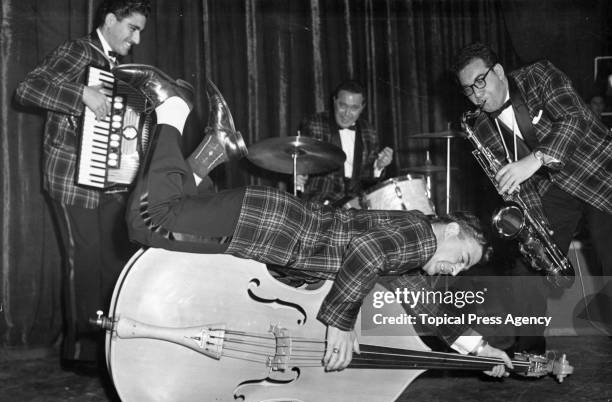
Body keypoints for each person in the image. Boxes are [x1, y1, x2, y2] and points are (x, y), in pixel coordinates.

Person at [111, 64, 513, 377]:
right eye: (463, 257)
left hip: (271, 224)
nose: (455, 271)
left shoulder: (411, 250)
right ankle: (173, 108)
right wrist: (340, 323)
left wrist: (480, 348)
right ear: (453, 230)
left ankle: (216, 148)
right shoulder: (421, 236)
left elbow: (425, 309)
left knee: (179, 206)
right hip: (268, 223)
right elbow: (367, 250)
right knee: (149, 220)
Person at [14, 0, 151, 373]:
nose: (136, 39)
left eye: (139, 31)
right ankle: (81, 353)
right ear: (110, 21)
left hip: (107, 182)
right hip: (71, 179)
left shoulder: (121, 68)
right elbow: (28, 88)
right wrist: (82, 95)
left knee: (111, 261)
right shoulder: (79, 51)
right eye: (132, 28)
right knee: (85, 262)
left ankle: (105, 346)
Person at [450, 42, 612, 347]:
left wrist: (534, 159)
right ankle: (529, 352)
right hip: (553, 190)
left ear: (498, 72)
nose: (476, 96)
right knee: (526, 267)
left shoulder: (538, 75)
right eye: (468, 90)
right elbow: (522, 186)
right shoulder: (480, 127)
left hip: (597, 173)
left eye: (479, 83)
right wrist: (537, 237)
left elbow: (574, 118)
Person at [296, 80, 394, 205]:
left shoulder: (369, 130)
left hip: (356, 203)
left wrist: (379, 165)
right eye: (343, 106)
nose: (347, 114)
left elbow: (369, 177)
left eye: (354, 108)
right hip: (320, 201)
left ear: (362, 108)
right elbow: (299, 162)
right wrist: (299, 175)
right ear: (334, 101)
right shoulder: (314, 124)